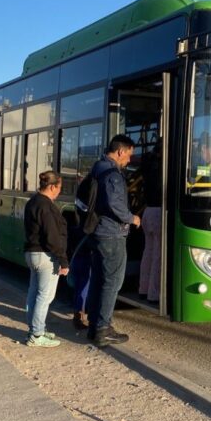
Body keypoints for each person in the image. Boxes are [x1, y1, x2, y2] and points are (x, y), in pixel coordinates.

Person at [85, 135, 141, 347]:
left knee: (99, 279)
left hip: (98, 232)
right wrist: (131, 218)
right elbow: (115, 204)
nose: (129, 161)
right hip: (112, 234)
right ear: (120, 152)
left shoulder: (97, 167)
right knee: (113, 282)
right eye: (128, 155)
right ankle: (103, 329)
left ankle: (93, 325)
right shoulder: (113, 175)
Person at [23, 171, 68, 347]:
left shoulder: (33, 202)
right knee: (45, 296)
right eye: (59, 188)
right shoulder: (46, 206)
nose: (59, 192)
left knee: (34, 294)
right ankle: (36, 334)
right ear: (52, 186)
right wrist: (63, 260)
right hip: (45, 256)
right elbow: (52, 237)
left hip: (32, 253)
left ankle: (35, 328)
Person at [138, 141, 162, 303]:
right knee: (158, 256)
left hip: (147, 212)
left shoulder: (148, 164)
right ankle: (154, 293)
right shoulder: (162, 168)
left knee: (148, 252)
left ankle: (143, 288)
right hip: (159, 211)